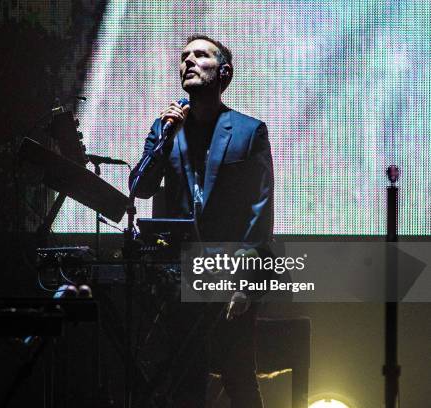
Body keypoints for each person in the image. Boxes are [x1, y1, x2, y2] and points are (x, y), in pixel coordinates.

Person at [129, 35, 274, 408]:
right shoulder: (165, 127)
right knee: (185, 381)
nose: (188, 62)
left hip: (230, 271)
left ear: (224, 73)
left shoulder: (248, 131)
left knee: (238, 376)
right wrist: (163, 138)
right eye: (184, 57)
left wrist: (244, 282)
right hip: (180, 275)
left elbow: (259, 212)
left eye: (200, 55)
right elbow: (140, 187)